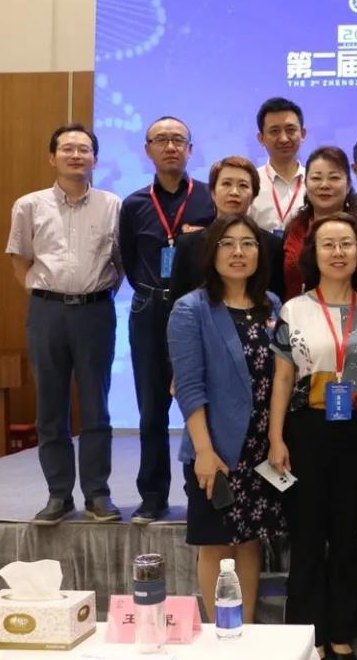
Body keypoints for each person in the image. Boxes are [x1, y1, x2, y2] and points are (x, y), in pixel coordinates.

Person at [268, 213, 357, 660]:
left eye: (346, 244)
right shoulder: (293, 309)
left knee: (347, 530)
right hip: (306, 429)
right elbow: (282, 378)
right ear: (312, 254)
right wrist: (276, 438)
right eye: (328, 245)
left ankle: (343, 627)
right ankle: (307, 631)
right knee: (308, 532)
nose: (338, 252)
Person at [167, 214, 286, 625]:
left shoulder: (273, 305)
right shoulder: (191, 309)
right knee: (217, 545)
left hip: (261, 448)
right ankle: (222, 634)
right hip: (216, 448)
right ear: (212, 252)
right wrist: (203, 451)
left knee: (249, 541)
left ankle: (245, 631)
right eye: (228, 244)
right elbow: (188, 386)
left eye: (248, 244)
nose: (239, 252)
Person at [6, 123, 122, 525]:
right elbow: (20, 260)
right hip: (47, 312)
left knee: (96, 406)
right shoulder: (29, 205)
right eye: (67, 148)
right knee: (50, 408)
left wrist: (93, 293)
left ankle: (98, 494)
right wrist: (47, 296)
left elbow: (119, 263)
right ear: (52, 157)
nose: (76, 155)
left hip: (95, 312)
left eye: (84, 149)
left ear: (95, 158)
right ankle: (59, 494)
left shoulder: (112, 205)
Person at [119, 115, 215, 524]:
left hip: (198, 311)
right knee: (151, 408)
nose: (170, 146)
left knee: (203, 402)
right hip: (150, 310)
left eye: (178, 140)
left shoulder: (208, 198)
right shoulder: (134, 205)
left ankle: (205, 493)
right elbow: (127, 259)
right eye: (161, 140)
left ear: (190, 149)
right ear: (148, 150)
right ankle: (153, 495)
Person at [169, 156, 284, 302]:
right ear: (213, 192)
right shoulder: (188, 244)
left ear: (253, 196)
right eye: (226, 183)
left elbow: (276, 300)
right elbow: (177, 300)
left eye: (243, 185)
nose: (234, 192)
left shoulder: (272, 246)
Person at [283, 146, 357, 300]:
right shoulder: (294, 228)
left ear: (348, 185)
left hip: (354, 313)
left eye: (334, 178)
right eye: (316, 178)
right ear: (306, 184)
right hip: (296, 312)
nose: (324, 185)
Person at [249, 97, 307, 235]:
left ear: (302, 134)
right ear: (261, 138)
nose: (284, 139)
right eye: (274, 131)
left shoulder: (316, 182)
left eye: (290, 130)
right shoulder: (249, 182)